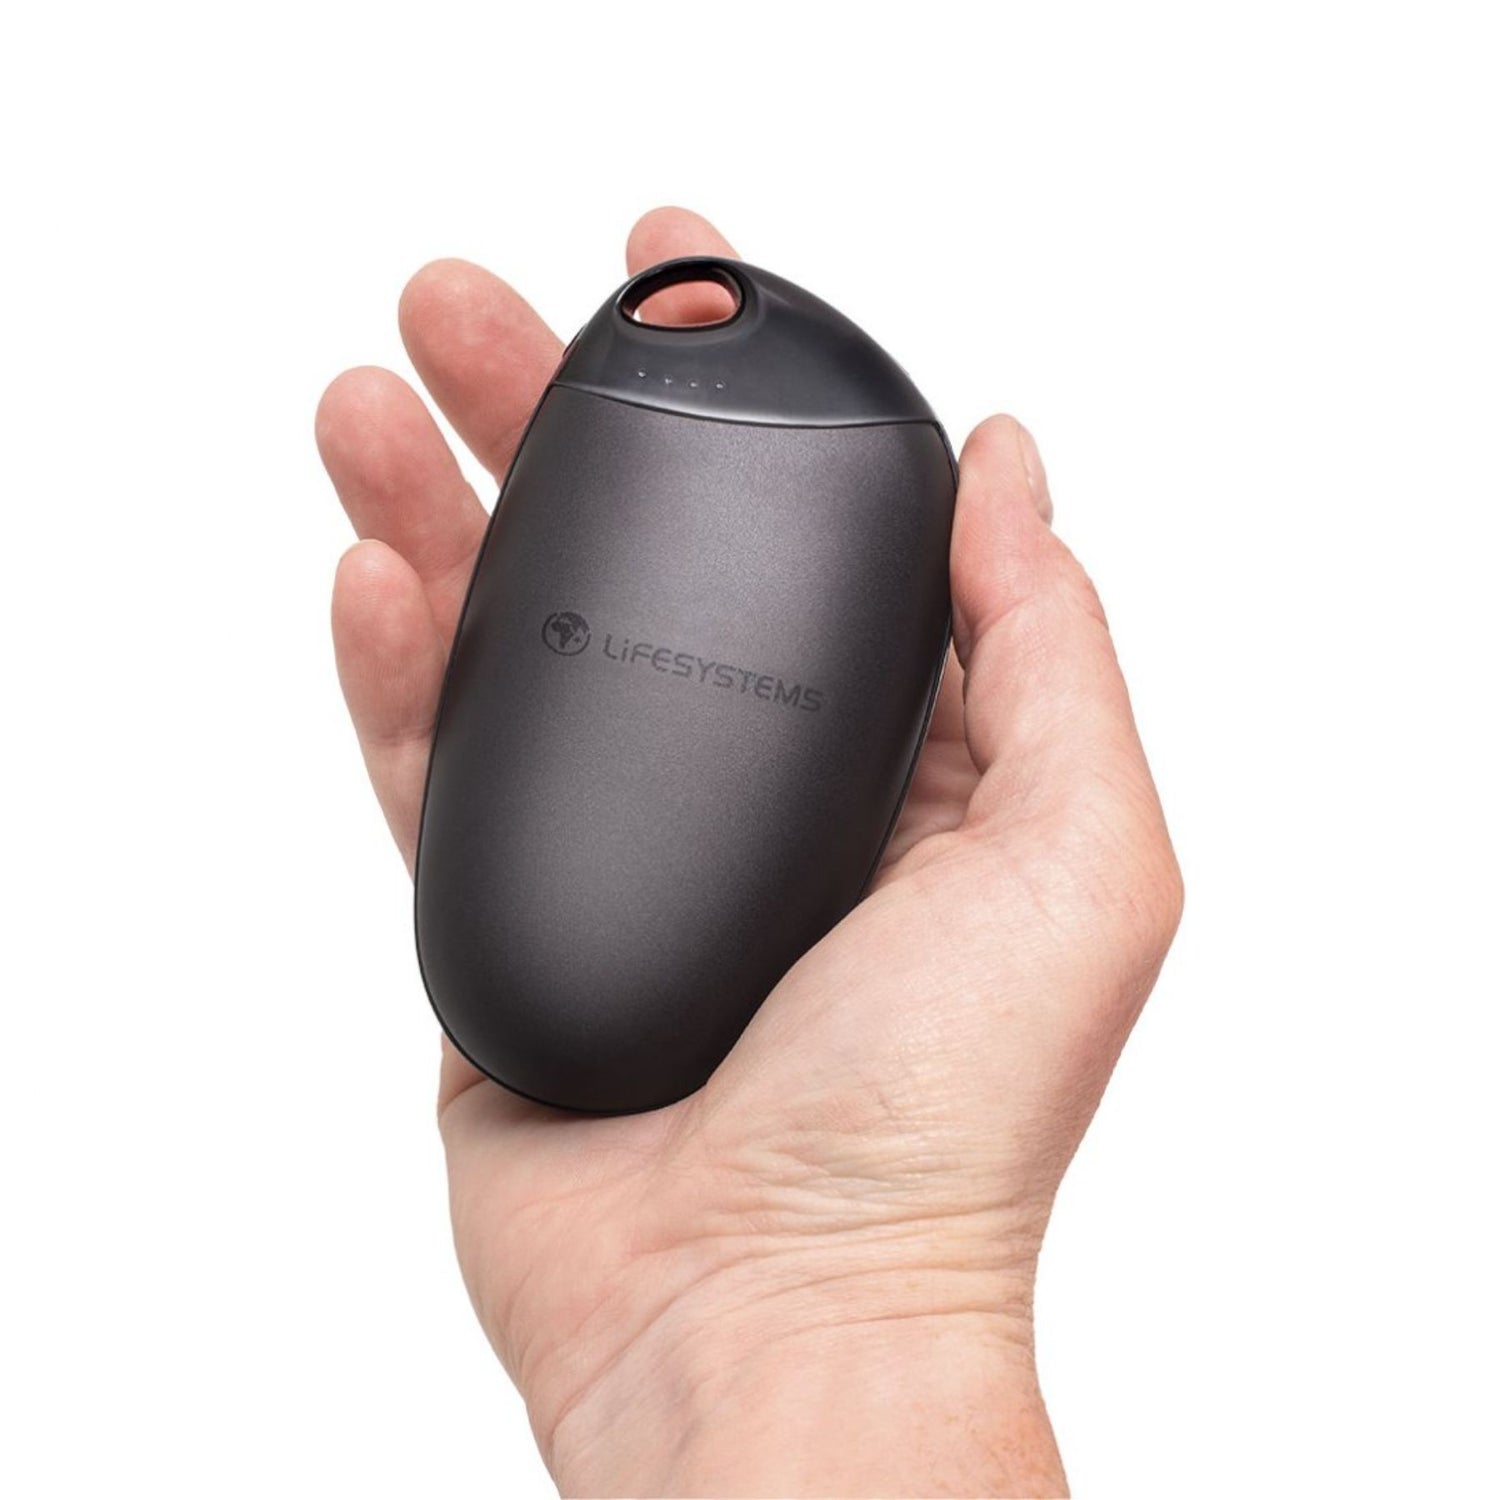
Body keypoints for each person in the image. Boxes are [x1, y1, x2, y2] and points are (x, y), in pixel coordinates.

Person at [315, 205, 1183, 1499]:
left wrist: (809, 1289)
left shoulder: (866, 455)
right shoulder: (877, 455)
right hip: (560, 983)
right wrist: (832, 1312)